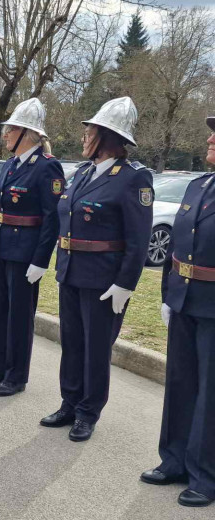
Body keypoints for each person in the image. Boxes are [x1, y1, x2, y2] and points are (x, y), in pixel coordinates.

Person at [40, 97, 153, 441]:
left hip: (104, 280)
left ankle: (88, 412)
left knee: (95, 348)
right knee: (72, 342)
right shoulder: (83, 173)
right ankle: (69, 402)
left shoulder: (134, 179)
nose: (85, 135)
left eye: (90, 130)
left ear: (108, 137)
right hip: (72, 272)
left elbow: (139, 239)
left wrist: (125, 284)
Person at [140, 116, 215, 508]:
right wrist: (168, 294)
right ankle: (174, 461)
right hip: (185, 299)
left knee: (210, 393)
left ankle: (205, 475)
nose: (209, 137)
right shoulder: (198, 185)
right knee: (180, 383)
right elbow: (176, 248)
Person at [0, 98, 64, 396]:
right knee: (0, 312)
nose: (6, 135)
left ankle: (16, 376)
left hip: (26, 254)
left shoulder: (47, 168)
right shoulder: (12, 165)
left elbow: (52, 219)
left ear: (26, 133)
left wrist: (41, 260)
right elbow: (1, 210)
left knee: (19, 317)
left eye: (10, 130)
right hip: (3, 248)